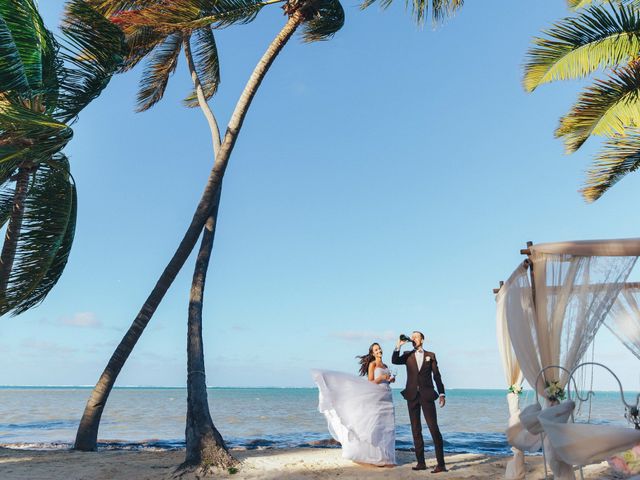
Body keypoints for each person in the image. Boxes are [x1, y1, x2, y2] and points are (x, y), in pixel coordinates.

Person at [311, 342, 396, 466]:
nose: (378, 351)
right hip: (377, 398)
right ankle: (374, 455)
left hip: (387, 396)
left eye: (379, 349)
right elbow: (371, 382)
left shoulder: (385, 365)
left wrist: (390, 380)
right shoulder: (372, 364)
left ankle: (387, 457)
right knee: (376, 426)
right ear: (373, 353)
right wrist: (382, 377)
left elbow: (386, 380)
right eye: (376, 350)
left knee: (388, 427)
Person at [392, 331, 447, 473]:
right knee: (416, 430)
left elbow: (437, 376)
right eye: (413, 336)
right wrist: (398, 345)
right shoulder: (408, 355)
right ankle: (421, 463)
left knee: (433, 428)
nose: (414, 338)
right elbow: (394, 360)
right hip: (412, 396)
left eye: (416, 336)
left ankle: (441, 464)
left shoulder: (431, 355)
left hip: (427, 395)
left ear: (422, 339)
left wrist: (441, 393)